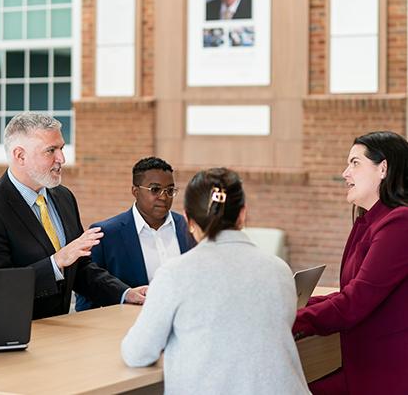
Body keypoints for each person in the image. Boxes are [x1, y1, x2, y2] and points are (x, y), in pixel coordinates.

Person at [121, 167, 309, 395]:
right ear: (242, 215)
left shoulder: (174, 274)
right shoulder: (280, 270)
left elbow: (137, 353)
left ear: (189, 220)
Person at [0, 112, 147, 320]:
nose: (62, 159)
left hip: (61, 332)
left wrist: (125, 293)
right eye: (51, 151)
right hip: (13, 335)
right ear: (20, 156)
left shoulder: (64, 197)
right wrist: (56, 262)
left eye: (61, 148)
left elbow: (80, 268)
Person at [293, 131, 408, 395]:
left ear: (383, 168)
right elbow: (350, 294)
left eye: (355, 163)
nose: (346, 173)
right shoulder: (369, 221)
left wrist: (292, 319)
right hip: (363, 365)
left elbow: (354, 303)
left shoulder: (399, 223)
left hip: (386, 375)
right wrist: (295, 305)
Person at [76, 157, 196, 311]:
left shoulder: (188, 228)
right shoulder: (106, 235)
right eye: (155, 189)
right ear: (135, 191)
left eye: (170, 190)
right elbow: (88, 297)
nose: (164, 197)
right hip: (126, 329)